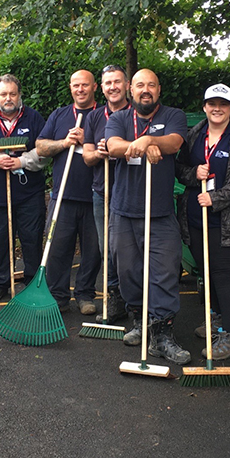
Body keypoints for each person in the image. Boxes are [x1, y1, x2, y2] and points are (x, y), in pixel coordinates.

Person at [104, 68, 191, 365]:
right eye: (140, 85)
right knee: (127, 271)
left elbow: (175, 142)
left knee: (165, 272)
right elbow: (113, 146)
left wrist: (149, 141)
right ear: (130, 89)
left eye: (151, 85)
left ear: (159, 89)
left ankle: (163, 334)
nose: (145, 90)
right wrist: (138, 144)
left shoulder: (174, 114)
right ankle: (141, 321)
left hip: (161, 212)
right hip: (124, 210)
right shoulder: (118, 119)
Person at [175, 84, 230, 359]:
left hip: (227, 219)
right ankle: (216, 320)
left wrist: (217, 197)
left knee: (223, 274)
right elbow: (180, 169)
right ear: (204, 106)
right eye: (212, 103)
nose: (217, 108)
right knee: (206, 272)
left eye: (223, 104)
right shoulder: (195, 134)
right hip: (196, 217)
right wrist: (193, 173)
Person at [0, 74, 48, 303]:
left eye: (12, 94)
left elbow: (44, 151)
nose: (8, 98)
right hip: (0, 195)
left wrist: (21, 161)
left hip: (29, 194)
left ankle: (34, 283)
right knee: (1, 240)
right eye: (3, 94)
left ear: (19, 95)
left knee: (32, 239)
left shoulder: (33, 118)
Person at [35, 70, 101, 314]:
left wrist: (87, 141)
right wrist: (64, 142)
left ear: (94, 87)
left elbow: (111, 147)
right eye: (76, 85)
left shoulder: (104, 115)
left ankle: (85, 295)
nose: (80, 89)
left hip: (95, 196)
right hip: (62, 197)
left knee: (92, 252)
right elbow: (41, 147)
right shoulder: (60, 115)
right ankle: (58, 297)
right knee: (56, 249)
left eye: (84, 85)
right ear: (70, 88)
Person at [83, 65, 131, 322]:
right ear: (101, 88)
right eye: (107, 83)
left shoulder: (136, 115)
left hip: (131, 191)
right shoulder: (94, 117)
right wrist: (100, 153)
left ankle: (135, 299)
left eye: (117, 82)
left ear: (126, 85)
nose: (112, 87)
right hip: (102, 192)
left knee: (129, 250)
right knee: (108, 249)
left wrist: (118, 148)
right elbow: (88, 157)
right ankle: (114, 298)